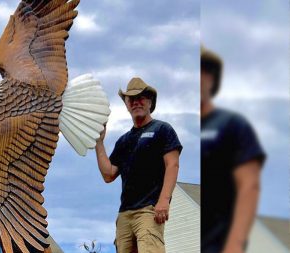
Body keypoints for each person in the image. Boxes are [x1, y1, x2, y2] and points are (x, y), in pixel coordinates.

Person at [95, 77, 183, 253]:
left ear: (150, 102)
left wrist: (164, 201)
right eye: (131, 99)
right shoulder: (124, 141)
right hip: (124, 214)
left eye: (141, 98)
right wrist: (99, 142)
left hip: (149, 211)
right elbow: (108, 174)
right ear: (127, 105)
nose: (136, 102)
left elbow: (172, 165)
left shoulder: (162, 129)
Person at [200, 46, 266, 253]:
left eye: (202, 70)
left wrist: (235, 245)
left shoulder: (232, 124)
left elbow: (249, 185)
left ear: (211, 78)